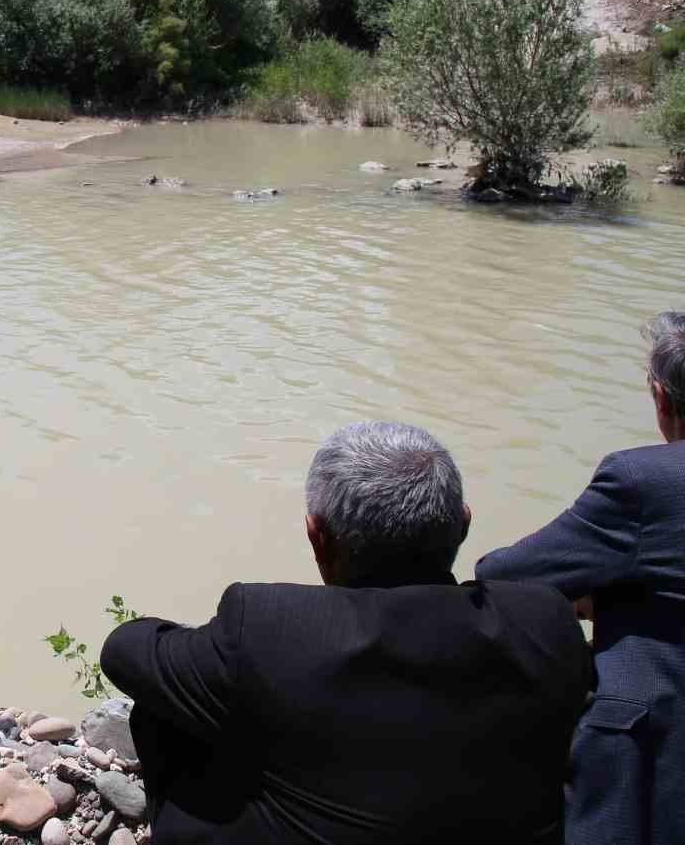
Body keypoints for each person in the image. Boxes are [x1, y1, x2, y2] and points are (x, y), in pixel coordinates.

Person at [101, 420, 591, 844]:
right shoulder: (545, 620)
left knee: (170, 708)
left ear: (317, 535)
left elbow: (126, 650)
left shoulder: (273, 625)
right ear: (462, 526)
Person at [478, 311, 685, 844]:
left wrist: (600, 593)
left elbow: (504, 574)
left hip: (652, 760)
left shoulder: (644, 480)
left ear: (661, 397)